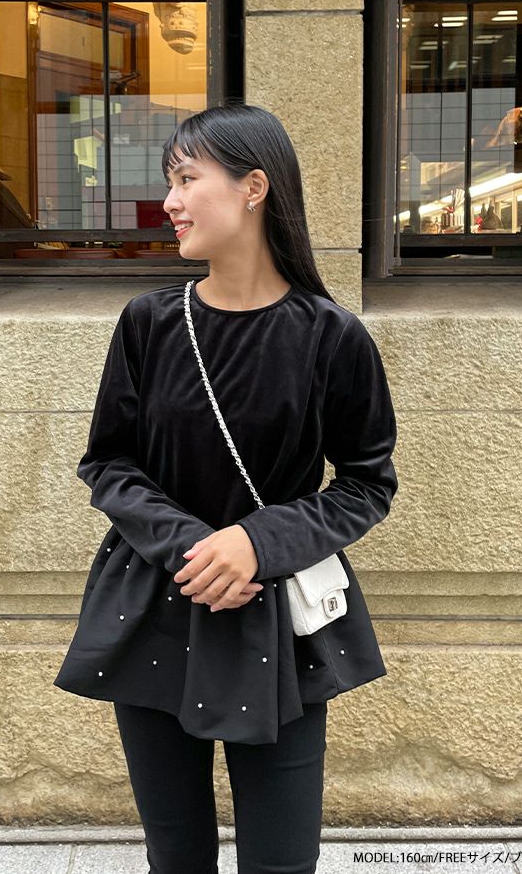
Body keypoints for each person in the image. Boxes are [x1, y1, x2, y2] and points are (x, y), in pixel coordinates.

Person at [53, 102, 399, 874]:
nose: (168, 201)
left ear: (253, 188)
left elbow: (367, 484)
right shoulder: (148, 323)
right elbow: (108, 463)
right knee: (176, 853)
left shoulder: (331, 337)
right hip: (154, 601)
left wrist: (255, 543)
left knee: (281, 859)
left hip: (276, 615)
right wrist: (197, 548)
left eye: (186, 179)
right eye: (169, 182)